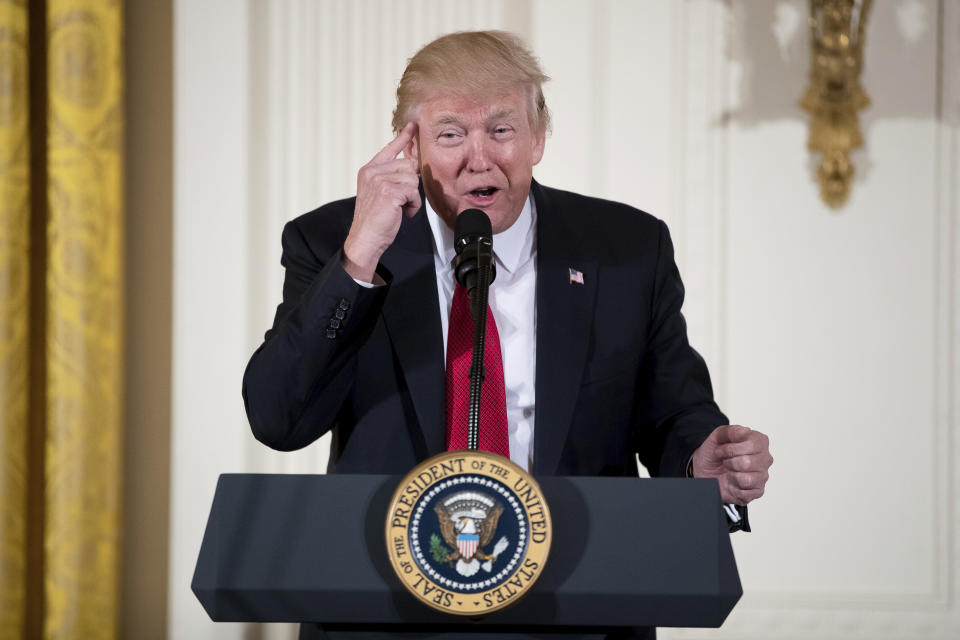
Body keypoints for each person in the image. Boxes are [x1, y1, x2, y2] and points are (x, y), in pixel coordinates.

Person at [242, 30, 772, 640]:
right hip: (384, 614)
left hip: (578, 607)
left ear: (538, 136)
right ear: (408, 148)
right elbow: (278, 419)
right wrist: (360, 257)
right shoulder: (335, 241)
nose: (479, 158)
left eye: (501, 129)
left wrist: (698, 462)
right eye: (449, 134)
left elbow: (673, 409)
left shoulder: (626, 249)